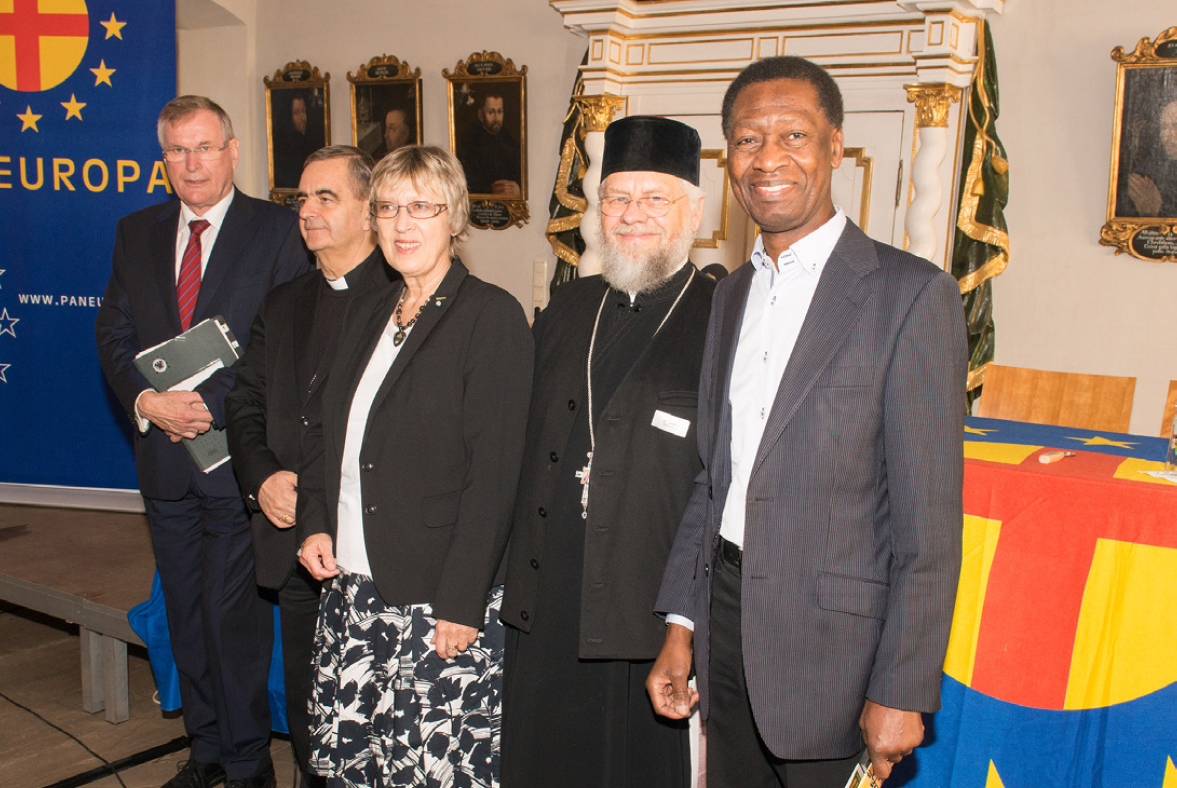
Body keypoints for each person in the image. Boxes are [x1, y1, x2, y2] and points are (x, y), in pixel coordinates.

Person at [648, 55, 966, 786]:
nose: (768, 158)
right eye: (747, 139)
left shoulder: (910, 296)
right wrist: (681, 625)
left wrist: (902, 687)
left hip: (837, 655)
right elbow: (715, 479)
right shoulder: (729, 295)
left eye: (793, 135)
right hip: (725, 630)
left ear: (835, 146)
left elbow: (928, 527)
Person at [295, 145, 533, 788]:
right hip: (353, 586)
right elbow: (326, 432)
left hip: (437, 600)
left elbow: (495, 476)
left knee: (429, 768)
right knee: (357, 767)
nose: (402, 224)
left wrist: (463, 600)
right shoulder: (368, 310)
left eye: (421, 207)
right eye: (388, 208)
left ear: (454, 217)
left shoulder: (491, 316)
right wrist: (315, 521)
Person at [95, 95, 312, 788]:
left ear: (233, 151)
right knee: (185, 619)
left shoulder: (278, 231)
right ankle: (207, 750)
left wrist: (205, 406)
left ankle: (249, 764)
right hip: (164, 462)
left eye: (205, 147)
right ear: (163, 158)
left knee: (232, 620)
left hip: (238, 464)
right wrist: (148, 401)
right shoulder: (136, 232)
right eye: (177, 150)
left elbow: (286, 343)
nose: (192, 163)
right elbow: (114, 333)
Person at [501, 115, 715, 788]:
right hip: (546, 595)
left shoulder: (724, 317)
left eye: (654, 198)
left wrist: (686, 625)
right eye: (617, 198)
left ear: (695, 212)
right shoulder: (566, 309)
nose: (632, 215)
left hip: (644, 606)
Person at [224, 145, 396, 788]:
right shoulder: (283, 301)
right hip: (295, 540)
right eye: (302, 198)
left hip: (374, 544)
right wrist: (263, 477)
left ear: (369, 210)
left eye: (327, 197)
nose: (308, 211)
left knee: (378, 713)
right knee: (308, 707)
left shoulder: (404, 297)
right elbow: (244, 402)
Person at [457, 91, 522, 197]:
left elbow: (520, 175)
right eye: (491, 112)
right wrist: (490, 190)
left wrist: (517, 188)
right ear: (480, 115)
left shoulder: (510, 140)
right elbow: (466, 181)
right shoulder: (470, 143)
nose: (496, 118)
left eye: (499, 112)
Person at [1121, 98, 1177, 218]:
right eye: (1164, 127)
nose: (1169, 134)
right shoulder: (1148, 168)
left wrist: (1158, 210)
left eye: (1175, 126)